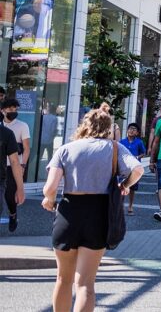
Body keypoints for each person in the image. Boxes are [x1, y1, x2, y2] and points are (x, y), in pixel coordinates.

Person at [41, 105, 142, 312]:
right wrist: (124, 186)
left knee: (63, 279)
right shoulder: (114, 148)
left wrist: (49, 200)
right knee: (85, 283)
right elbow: (138, 169)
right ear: (108, 128)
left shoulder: (67, 149)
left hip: (69, 211)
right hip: (99, 213)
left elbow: (50, 188)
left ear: (84, 125)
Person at [2, 97, 30, 231]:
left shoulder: (22, 126)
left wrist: (22, 165)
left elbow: (26, 148)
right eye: (10, 109)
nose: (13, 111)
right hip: (2, 165)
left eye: (15, 109)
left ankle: (13, 214)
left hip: (14, 166)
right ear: (2, 111)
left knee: (9, 194)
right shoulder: (1, 127)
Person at [0, 119, 24, 232]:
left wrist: (20, 188)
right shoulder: (7, 133)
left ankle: (13, 216)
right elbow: (14, 162)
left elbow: (15, 162)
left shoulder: (6, 133)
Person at [119, 124, 146, 214]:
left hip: (134, 168)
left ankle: (130, 205)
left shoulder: (139, 142)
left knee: (133, 188)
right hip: (123, 168)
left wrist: (138, 156)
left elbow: (143, 153)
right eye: (130, 129)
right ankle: (120, 205)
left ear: (137, 132)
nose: (131, 131)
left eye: (134, 129)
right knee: (121, 186)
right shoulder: (122, 141)